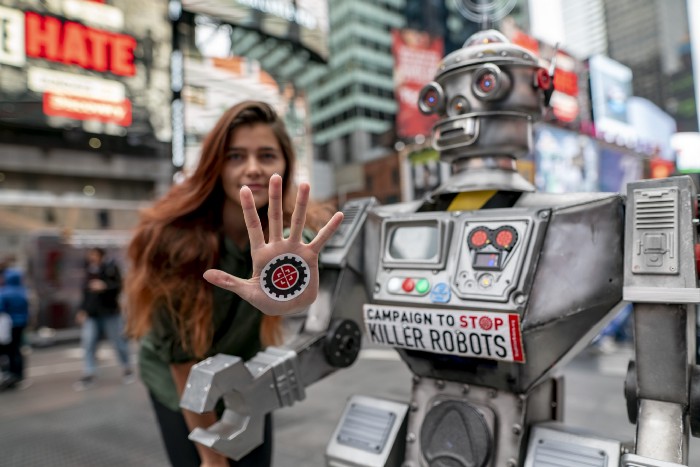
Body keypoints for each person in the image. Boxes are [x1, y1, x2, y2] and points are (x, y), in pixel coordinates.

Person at [124, 100, 343, 467]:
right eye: (236, 156)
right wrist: (211, 457)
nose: (253, 169)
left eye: (267, 155)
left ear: (285, 165)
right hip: (177, 382)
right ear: (216, 165)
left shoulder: (289, 233)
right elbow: (182, 360)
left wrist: (297, 291)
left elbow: (301, 255)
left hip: (245, 379)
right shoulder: (173, 237)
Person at [74, 247, 134, 390]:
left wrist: (105, 286)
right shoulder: (89, 271)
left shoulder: (111, 268)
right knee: (88, 343)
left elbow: (121, 286)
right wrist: (82, 310)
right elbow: (85, 293)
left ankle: (127, 368)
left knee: (119, 342)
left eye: (94, 255)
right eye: (90, 255)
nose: (92, 258)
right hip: (92, 314)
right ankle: (89, 372)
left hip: (111, 313)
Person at [0, 268, 30, 390]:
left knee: (7, 351)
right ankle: (19, 375)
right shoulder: (23, 292)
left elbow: (1, 309)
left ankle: (9, 375)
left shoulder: (4, 293)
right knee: (17, 350)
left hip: (8, 326)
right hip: (21, 324)